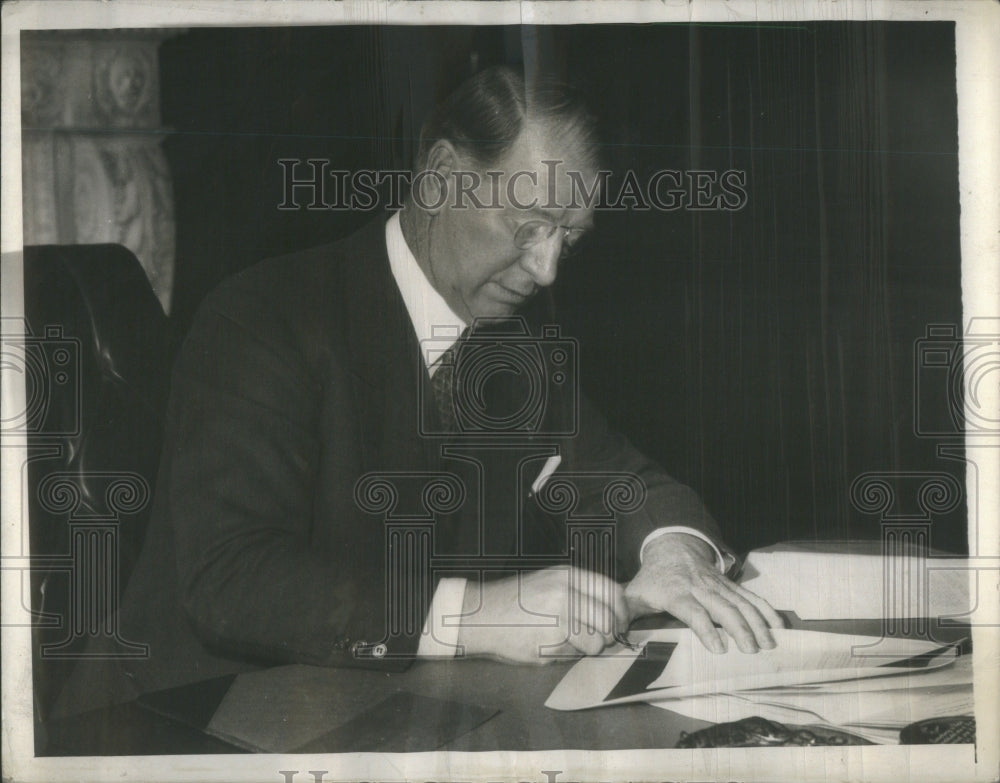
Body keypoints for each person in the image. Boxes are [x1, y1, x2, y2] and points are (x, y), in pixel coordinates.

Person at [55, 65, 781, 715]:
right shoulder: (263, 316)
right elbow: (232, 578)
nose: (549, 269)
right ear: (439, 177)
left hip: (389, 713)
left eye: (570, 237)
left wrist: (673, 552)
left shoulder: (512, 350)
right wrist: (481, 615)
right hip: (186, 717)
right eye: (529, 227)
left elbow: (624, 478)